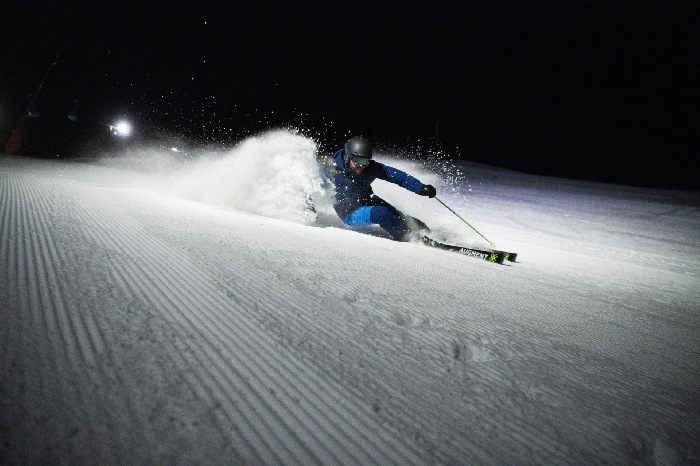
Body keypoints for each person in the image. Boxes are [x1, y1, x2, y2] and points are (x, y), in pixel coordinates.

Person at [329, 136, 436, 241]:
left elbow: (397, 176)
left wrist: (421, 188)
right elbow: (314, 184)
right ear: (348, 157)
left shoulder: (369, 168)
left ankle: (426, 231)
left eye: (365, 161)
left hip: (367, 200)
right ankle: (409, 237)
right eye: (358, 161)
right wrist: (311, 206)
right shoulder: (333, 172)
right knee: (382, 214)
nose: (362, 165)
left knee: (395, 214)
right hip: (350, 212)